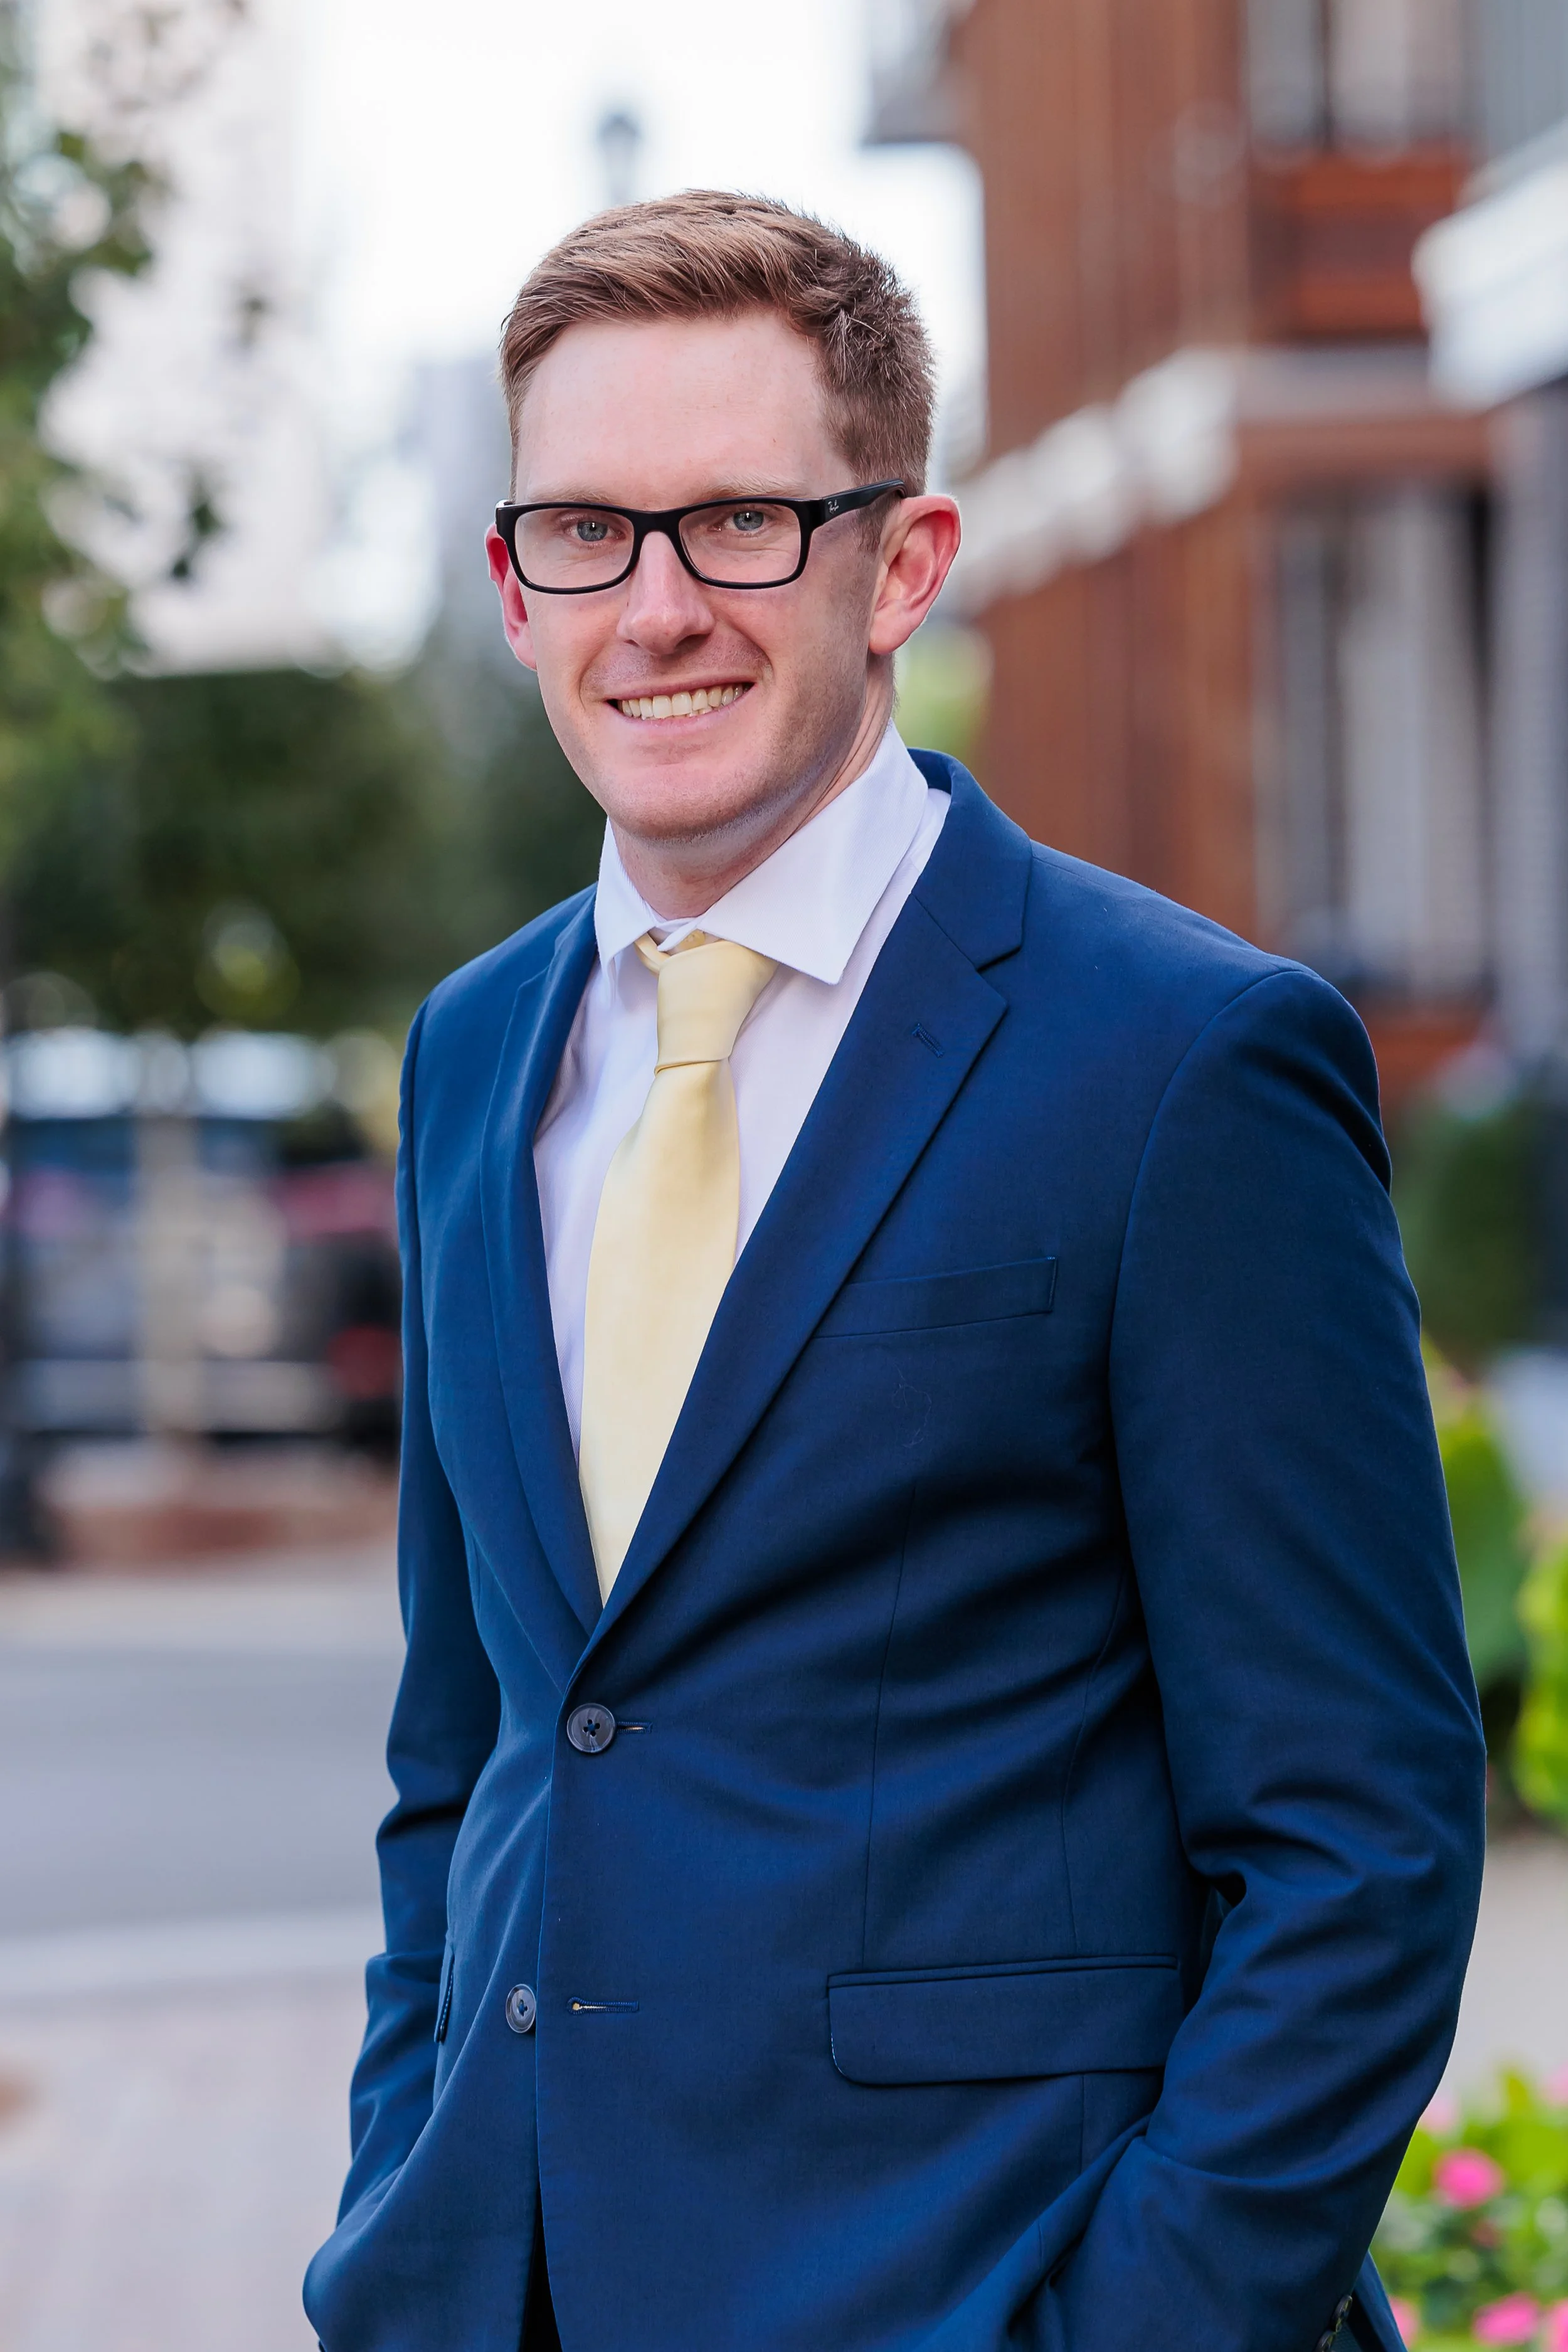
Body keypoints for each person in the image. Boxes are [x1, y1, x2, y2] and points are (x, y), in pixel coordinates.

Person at [305, 192, 1486, 2352]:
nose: (655, 607)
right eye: (583, 531)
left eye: (740, 522)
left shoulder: (1181, 1062)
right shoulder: (476, 1050)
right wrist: (406, 2200)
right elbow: (469, 1743)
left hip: (971, 2293)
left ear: (902, 563)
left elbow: (1360, 1838)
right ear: (509, 584)